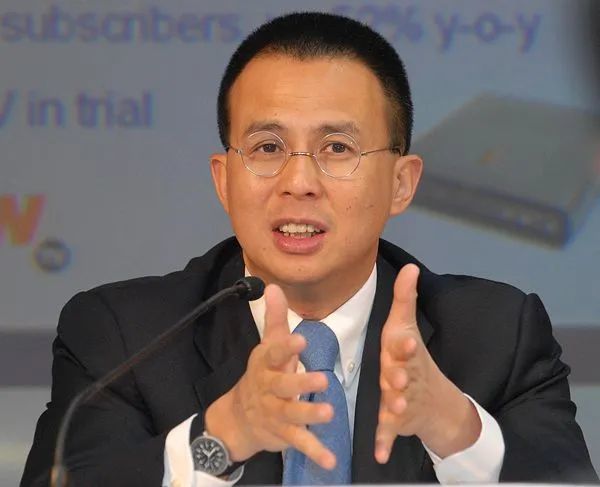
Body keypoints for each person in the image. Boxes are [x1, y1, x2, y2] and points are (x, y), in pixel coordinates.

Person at [21, 11, 598, 486]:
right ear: (224, 180)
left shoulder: (499, 334)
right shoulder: (124, 336)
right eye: (268, 147)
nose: (298, 182)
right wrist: (222, 436)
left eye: (338, 147)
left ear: (401, 184)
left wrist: (456, 432)